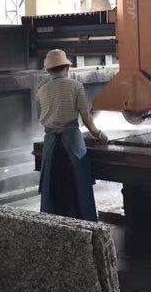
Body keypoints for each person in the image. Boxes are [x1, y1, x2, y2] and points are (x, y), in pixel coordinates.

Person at [36, 48, 108, 222]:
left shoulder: (41, 91)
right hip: (73, 145)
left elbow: (41, 118)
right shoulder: (76, 86)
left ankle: (53, 225)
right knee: (79, 188)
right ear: (67, 68)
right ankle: (86, 224)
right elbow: (86, 118)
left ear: (48, 70)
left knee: (52, 191)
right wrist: (99, 134)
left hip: (51, 146)